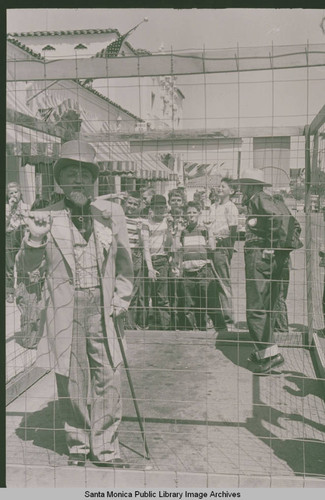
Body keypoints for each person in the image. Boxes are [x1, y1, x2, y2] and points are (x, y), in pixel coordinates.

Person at [16, 140, 133, 468]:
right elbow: (28, 269)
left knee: (108, 373)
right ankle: (79, 444)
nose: (78, 180)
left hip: (104, 306)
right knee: (71, 376)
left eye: (85, 173)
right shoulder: (45, 216)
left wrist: (121, 300)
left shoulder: (111, 213)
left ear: (94, 178)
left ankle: (107, 448)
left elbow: (125, 263)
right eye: (71, 173)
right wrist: (35, 239)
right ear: (61, 180)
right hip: (65, 310)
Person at [237, 168, 289, 374]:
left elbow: (276, 219)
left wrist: (271, 245)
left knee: (256, 306)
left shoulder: (258, 199)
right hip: (266, 255)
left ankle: (271, 355)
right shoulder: (265, 199)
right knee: (266, 303)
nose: (240, 189)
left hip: (260, 255)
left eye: (242, 185)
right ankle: (264, 353)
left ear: (250, 185)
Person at [179, 201, 227, 334]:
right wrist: (177, 232)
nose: (191, 215)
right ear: (185, 215)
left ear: (199, 214)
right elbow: (177, 248)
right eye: (189, 212)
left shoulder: (204, 230)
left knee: (211, 302)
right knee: (189, 305)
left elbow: (212, 247)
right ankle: (194, 331)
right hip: (188, 273)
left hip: (203, 272)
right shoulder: (183, 232)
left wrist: (210, 230)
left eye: (194, 212)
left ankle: (222, 331)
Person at [123, 191, 155, 330]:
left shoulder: (142, 222)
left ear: (140, 205)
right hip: (121, 256)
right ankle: (120, 322)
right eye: (129, 203)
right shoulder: (118, 218)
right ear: (124, 202)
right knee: (120, 290)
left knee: (133, 292)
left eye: (135, 204)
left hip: (135, 256)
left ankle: (129, 324)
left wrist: (150, 267)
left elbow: (145, 246)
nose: (132, 206)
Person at [209, 177, 239, 325]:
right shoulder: (213, 206)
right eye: (219, 186)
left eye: (224, 187)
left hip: (222, 248)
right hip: (211, 247)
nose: (220, 188)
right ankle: (215, 316)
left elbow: (233, 230)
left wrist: (228, 249)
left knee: (223, 282)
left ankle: (228, 316)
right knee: (212, 282)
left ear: (231, 191)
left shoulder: (231, 207)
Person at [143, 194, 172, 329]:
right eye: (157, 208)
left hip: (162, 260)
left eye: (163, 207)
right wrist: (150, 268)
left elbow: (169, 245)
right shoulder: (146, 224)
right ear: (152, 208)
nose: (160, 210)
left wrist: (170, 230)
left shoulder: (167, 223)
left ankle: (165, 326)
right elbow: (145, 248)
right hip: (149, 261)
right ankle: (150, 324)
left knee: (162, 297)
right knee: (147, 295)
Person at [6, 182, 29, 303]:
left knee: (23, 262)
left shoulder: (26, 206)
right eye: (11, 193)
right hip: (10, 235)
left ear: (20, 193)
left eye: (16, 192)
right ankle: (10, 291)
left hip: (22, 234)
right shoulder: (6, 207)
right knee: (9, 265)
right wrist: (9, 209)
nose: (14, 195)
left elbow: (29, 221)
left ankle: (24, 288)